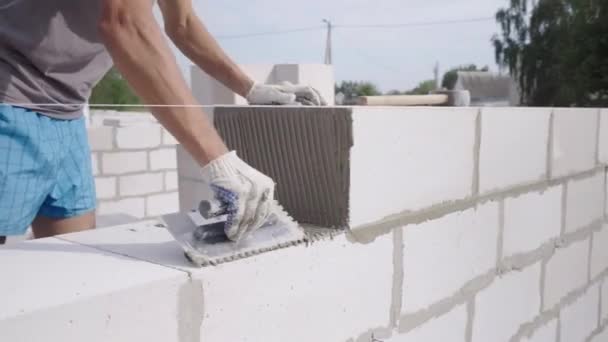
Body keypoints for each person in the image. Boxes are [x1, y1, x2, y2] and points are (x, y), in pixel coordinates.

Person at [0, 0, 325, 244]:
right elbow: (123, 21)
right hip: (9, 104)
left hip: (68, 113)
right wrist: (219, 162)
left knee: (69, 264)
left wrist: (251, 88)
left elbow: (181, 24)